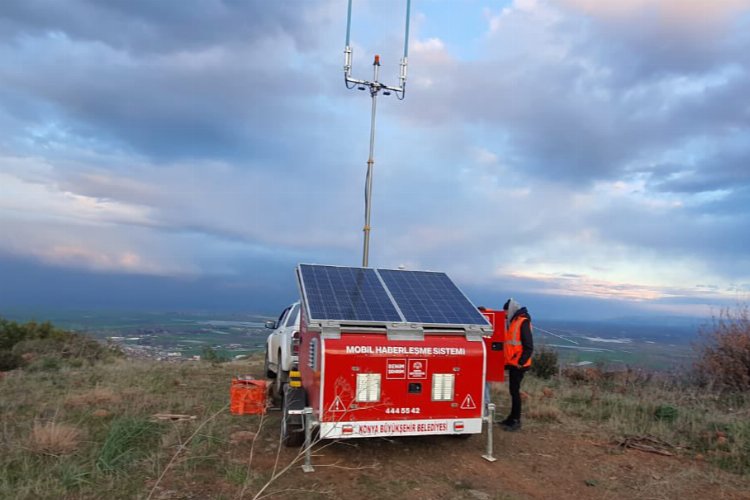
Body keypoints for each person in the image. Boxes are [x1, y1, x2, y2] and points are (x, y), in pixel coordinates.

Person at [499, 298, 533, 431]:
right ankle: (511, 418)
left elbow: (529, 346)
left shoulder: (522, 322)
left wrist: (520, 362)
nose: (505, 314)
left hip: (519, 365)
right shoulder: (514, 321)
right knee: (513, 391)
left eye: (506, 311)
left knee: (515, 392)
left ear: (511, 309)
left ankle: (516, 421)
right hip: (513, 363)